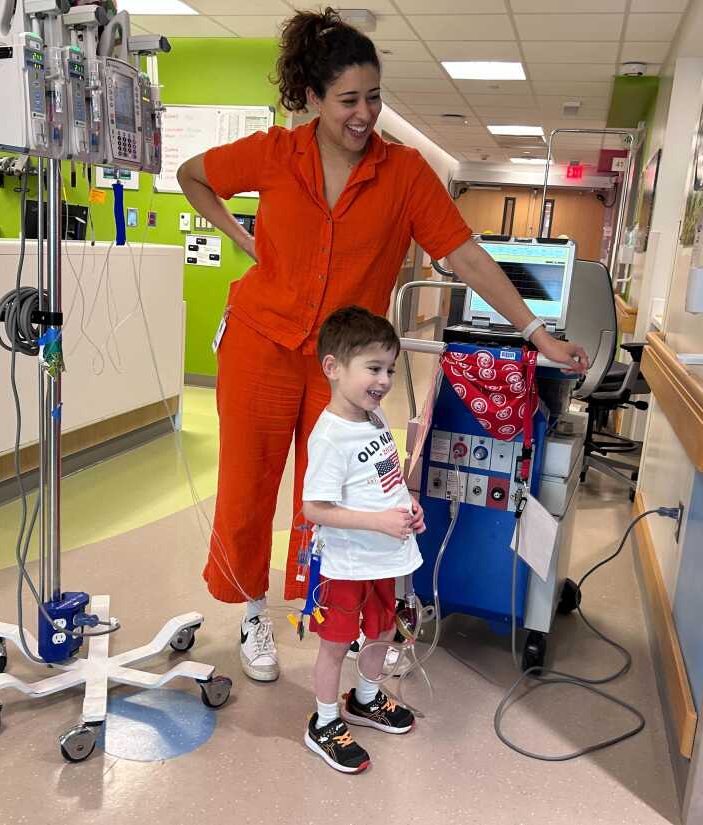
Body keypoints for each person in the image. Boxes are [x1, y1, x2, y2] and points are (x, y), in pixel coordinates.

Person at [176, 7, 588, 684]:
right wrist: (242, 238)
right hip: (261, 344)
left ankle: (334, 614)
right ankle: (253, 612)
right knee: (248, 488)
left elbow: (467, 255)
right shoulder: (274, 154)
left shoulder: (405, 173)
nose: (364, 113)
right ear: (314, 98)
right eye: (348, 100)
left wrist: (536, 331)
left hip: (341, 367)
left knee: (342, 493)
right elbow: (192, 175)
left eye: (373, 96)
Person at [300, 306, 422, 773]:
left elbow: (384, 478)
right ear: (333, 367)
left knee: (382, 631)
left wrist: (409, 504)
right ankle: (325, 722)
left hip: (384, 558)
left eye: (389, 369)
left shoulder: (374, 417)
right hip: (348, 563)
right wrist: (378, 523)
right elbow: (315, 509)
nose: (385, 380)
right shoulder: (331, 437)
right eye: (374, 368)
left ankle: (365, 699)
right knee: (335, 644)